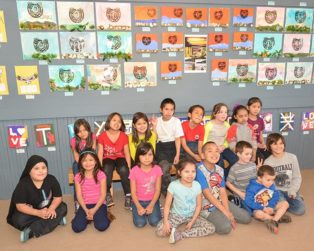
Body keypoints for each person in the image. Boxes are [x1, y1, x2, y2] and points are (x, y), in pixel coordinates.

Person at [7, 155, 67, 242]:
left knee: (63, 207)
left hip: (48, 208)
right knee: (18, 220)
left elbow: (58, 197)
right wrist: (38, 213)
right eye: (36, 168)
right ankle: (55, 220)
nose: (41, 171)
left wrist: (51, 208)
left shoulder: (51, 179)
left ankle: (32, 231)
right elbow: (20, 206)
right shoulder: (23, 184)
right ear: (29, 171)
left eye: (43, 167)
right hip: (31, 211)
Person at [195, 142, 251, 235]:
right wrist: (225, 212)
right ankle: (201, 217)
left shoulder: (219, 169)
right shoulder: (199, 170)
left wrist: (227, 211)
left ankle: (221, 212)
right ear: (203, 155)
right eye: (210, 151)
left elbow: (222, 191)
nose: (214, 154)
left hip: (219, 201)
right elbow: (207, 195)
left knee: (246, 218)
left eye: (217, 151)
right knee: (225, 227)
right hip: (205, 206)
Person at [156, 159, 215, 244]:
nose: (190, 174)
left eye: (193, 171)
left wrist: (193, 221)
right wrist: (166, 222)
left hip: (192, 215)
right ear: (179, 172)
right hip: (176, 215)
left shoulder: (197, 185)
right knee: (160, 231)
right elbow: (167, 205)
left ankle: (180, 234)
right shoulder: (173, 185)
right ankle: (171, 225)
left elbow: (198, 205)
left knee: (211, 228)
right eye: (186, 171)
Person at [264, 133, 305, 216]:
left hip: (290, 188)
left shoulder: (292, 157)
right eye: (275, 144)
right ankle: (284, 204)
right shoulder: (267, 162)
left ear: (284, 144)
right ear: (269, 146)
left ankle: (286, 204)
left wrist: (293, 190)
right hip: (277, 190)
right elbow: (268, 182)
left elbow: (297, 177)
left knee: (300, 210)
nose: (278, 146)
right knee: (281, 205)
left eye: (281, 143)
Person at [244, 165, 291, 234]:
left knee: (285, 204)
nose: (271, 182)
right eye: (268, 180)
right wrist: (262, 208)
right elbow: (248, 201)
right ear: (259, 178)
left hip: (269, 206)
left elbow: (275, 195)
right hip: (259, 209)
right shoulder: (251, 187)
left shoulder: (271, 185)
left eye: (273, 180)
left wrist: (271, 206)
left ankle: (274, 220)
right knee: (258, 214)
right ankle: (276, 218)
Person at [97, 112, 131, 208]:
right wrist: (99, 167)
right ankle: (107, 193)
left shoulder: (124, 136)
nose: (117, 123)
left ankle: (128, 194)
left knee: (124, 169)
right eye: (114, 120)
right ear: (109, 122)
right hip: (107, 158)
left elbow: (127, 152)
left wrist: (129, 166)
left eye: (119, 121)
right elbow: (100, 153)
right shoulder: (102, 136)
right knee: (107, 168)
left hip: (120, 157)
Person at [72, 149, 110, 233]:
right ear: (80, 163)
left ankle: (101, 214)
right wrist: (86, 210)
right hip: (84, 204)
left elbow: (103, 195)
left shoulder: (101, 174)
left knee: (101, 226)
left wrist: (94, 209)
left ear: (96, 161)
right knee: (76, 227)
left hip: (99, 203)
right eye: (84, 160)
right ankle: (89, 216)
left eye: (91, 160)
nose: (88, 163)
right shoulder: (78, 176)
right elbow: (79, 195)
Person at [152, 98, 184, 196]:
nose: (169, 112)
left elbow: (178, 139)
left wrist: (177, 155)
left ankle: (181, 189)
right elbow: (155, 138)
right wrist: (153, 126)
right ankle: (166, 191)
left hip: (174, 146)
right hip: (161, 148)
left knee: (184, 165)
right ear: (161, 109)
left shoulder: (176, 121)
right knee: (164, 167)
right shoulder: (157, 120)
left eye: (171, 109)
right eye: (166, 109)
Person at [129, 142, 162, 227]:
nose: (147, 158)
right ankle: (135, 208)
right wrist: (139, 207)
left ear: (153, 156)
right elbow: (133, 192)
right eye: (143, 155)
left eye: (150, 154)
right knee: (140, 224)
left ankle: (156, 208)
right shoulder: (134, 170)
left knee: (155, 222)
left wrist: (151, 205)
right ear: (138, 157)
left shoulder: (157, 169)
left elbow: (158, 190)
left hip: (152, 200)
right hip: (138, 201)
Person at [204, 103, 237, 178]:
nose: (224, 114)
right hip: (212, 149)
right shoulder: (209, 125)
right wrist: (214, 149)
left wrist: (224, 146)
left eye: (225, 112)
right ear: (215, 114)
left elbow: (227, 139)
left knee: (235, 160)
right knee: (220, 163)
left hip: (223, 148)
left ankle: (227, 180)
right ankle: (219, 182)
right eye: (221, 112)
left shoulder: (227, 125)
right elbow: (204, 140)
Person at [70, 119, 96, 210]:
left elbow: (93, 152)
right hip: (79, 162)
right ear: (76, 133)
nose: (83, 133)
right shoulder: (73, 141)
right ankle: (77, 201)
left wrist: (89, 164)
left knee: (99, 171)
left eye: (85, 130)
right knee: (77, 177)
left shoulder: (92, 136)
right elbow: (76, 155)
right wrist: (82, 165)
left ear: (88, 129)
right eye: (79, 131)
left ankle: (96, 198)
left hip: (91, 160)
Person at [226, 141, 261, 206]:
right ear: (238, 154)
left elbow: (257, 179)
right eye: (247, 154)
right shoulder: (234, 168)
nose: (249, 156)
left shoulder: (253, 165)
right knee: (256, 209)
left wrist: (259, 171)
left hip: (254, 193)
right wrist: (240, 193)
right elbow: (228, 183)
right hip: (242, 196)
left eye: (251, 154)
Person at [247, 97, 271, 162]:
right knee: (260, 158)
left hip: (258, 145)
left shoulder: (260, 120)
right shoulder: (245, 120)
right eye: (254, 107)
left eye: (258, 107)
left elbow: (260, 134)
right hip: (249, 145)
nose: (256, 109)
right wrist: (257, 145)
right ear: (248, 107)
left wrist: (263, 143)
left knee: (270, 155)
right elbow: (245, 137)